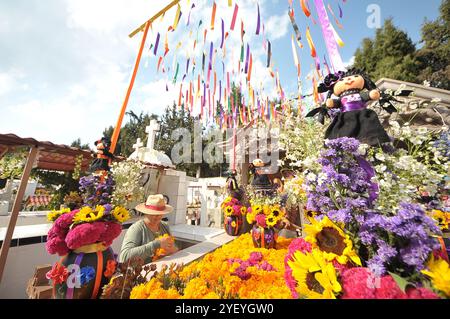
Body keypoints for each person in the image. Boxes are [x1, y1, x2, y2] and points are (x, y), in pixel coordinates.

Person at [119, 194, 178, 264]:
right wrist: (156, 244)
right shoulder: (137, 228)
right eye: (154, 213)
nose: (158, 216)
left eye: (160, 213)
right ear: (146, 212)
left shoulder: (165, 226)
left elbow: (174, 248)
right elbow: (124, 257)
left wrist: (171, 250)